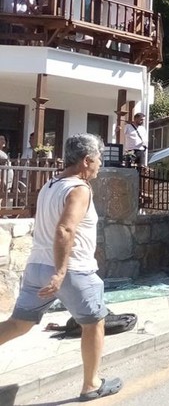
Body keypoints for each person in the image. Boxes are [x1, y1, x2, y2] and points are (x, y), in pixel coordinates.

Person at [0, 133, 123, 401]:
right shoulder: (79, 189)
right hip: (72, 271)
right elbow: (65, 229)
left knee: (19, 323)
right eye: (98, 159)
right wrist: (60, 271)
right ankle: (91, 385)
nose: (100, 164)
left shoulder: (50, 185)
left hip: (36, 267)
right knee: (94, 323)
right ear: (86, 160)